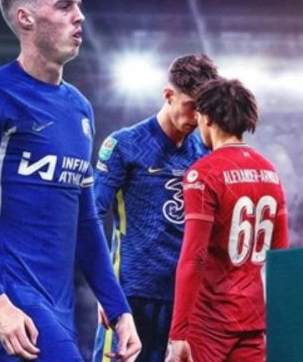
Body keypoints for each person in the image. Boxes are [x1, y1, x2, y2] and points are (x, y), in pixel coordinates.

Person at [0, 0, 141, 361]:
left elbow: (85, 220)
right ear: (25, 18)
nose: (79, 16)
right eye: (64, 6)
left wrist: (118, 307)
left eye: (79, 6)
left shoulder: (79, 108)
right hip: (9, 300)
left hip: (59, 306)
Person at [91, 54, 218, 362]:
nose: (196, 116)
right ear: (168, 95)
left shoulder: (206, 153)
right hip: (131, 296)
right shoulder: (124, 144)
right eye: (190, 105)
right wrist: (104, 291)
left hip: (185, 302)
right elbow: (91, 217)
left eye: (203, 108)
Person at [165, 78, 289, 362]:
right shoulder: (270, 172)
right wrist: (279, 324)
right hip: (253, 321)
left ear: (207, 118)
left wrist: (178, 333)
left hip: (209, 322)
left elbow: (193, 258)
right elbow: (281, 256)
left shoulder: (203, 173)